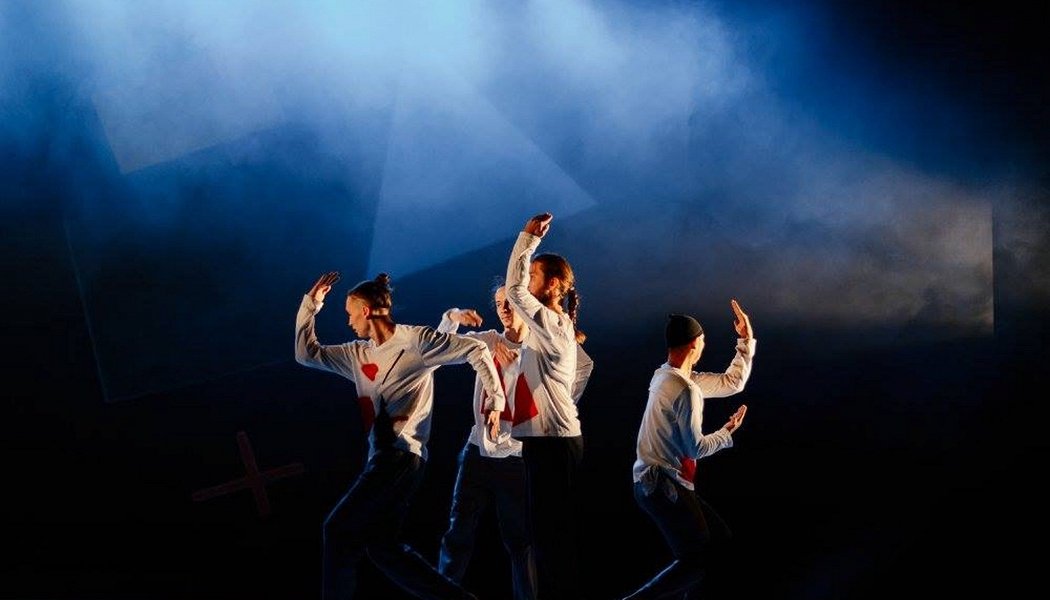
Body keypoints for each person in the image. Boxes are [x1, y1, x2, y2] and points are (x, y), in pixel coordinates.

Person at [294, 270, 505, 600]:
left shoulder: (414, 341)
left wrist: (496, 399)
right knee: (383, 548)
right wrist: (311, 305)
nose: (348, 322)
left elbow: (475, 349)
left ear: (366, 311)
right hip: (381, 458)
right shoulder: (357, 354)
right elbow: (306, 354)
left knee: (337, 529)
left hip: (401, 457)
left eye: (350, 314)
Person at [434, 281, 594, 600]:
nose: (504, 309)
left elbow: (583, 368)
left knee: (521, 541)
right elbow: (437, 349)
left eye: (509, 302)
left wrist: (547, 400)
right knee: (458, 533)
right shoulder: (487, 340)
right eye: (498, 304)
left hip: (516, 457)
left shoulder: (541, 345)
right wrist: (452, 317)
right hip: (478, 451)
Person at [621, 300, 755, 600]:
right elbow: (694, 448)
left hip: (658, 483)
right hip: (661, 485)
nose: (704, 345)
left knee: (718, 542)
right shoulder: (685, 389)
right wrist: (726, 433)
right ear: (695, 344)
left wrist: (745, 341)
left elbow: (731, 383)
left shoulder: (666, 376)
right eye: (703, 340)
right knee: (698, 559)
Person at [504, 212, 593, 599]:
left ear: (553, 284)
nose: (528, 282)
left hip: (553, 444)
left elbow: (513, 289)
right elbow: (583, 369)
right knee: (548, 537)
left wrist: (528, 239)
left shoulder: (553, 325)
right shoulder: (553, 328)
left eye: (534, 276)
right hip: (552, 440)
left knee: (550, 540)